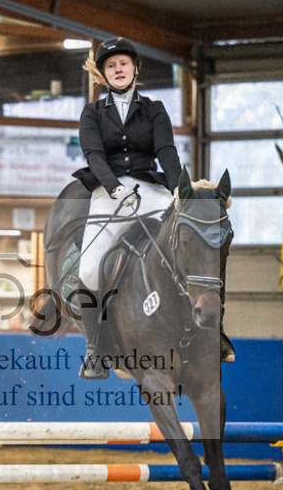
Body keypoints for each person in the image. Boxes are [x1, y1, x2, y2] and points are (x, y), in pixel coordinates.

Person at [70, 37, 234, 379]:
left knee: (189, 242)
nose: (118, 70)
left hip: (152, 189)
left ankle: (213, 333)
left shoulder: (155, 109)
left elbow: (167, 153)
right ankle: (96, 349)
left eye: (123, 64)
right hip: (108, 190)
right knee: (87, 270)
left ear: (134, 69)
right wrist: (114, 188)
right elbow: (94, 156)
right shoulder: (92, 113)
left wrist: (180, 193)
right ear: (103, 73)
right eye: (111, 66)